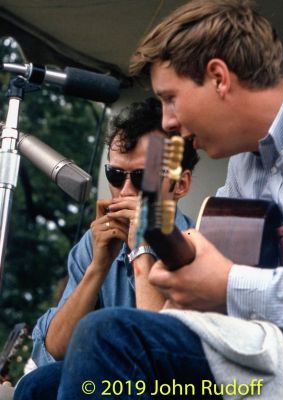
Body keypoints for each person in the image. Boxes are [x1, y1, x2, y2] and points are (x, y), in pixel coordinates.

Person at [19, 0, 283, 399]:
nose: (168, 121)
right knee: (39, 387)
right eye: (115, 175)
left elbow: (224, 288)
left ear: (219, 77)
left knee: (108, 335)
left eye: (170, 98)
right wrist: (164, 255)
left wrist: (228, 284)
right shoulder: (245, 163)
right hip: (258, 353)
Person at [13, 97, 199, 399]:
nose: (124, 191)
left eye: (141, 178)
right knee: (39, 385)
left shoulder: (196, 245)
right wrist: (97, 268)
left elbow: (161, 360)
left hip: (174, 388)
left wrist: (143, 245)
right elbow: (55, 349)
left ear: (180, 185)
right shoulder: (95, 242)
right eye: (115, 175)